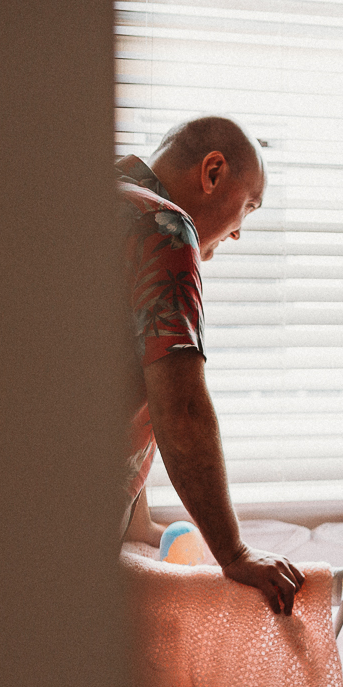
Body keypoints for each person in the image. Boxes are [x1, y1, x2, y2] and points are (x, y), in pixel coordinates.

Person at [116, 115, 304, 615]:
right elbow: (180, 406)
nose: (239, 233)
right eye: (248, 207)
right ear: (213, 171)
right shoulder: (164, 227)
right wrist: (234, 554)